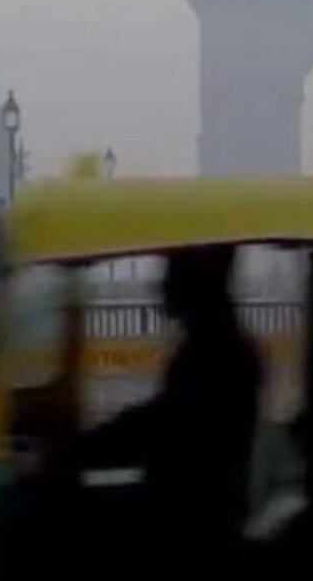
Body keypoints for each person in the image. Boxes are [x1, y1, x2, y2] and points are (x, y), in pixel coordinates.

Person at [76, 244, 263, 574]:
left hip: (189, 526)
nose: (163, 285)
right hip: (202, 518)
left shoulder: (211, 358)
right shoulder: (219, 349)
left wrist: (82, 448)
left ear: (198, 282)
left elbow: (157, 428)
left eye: (173, 273)